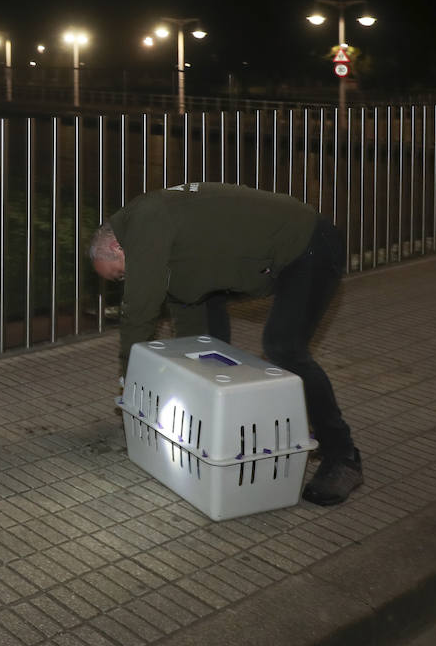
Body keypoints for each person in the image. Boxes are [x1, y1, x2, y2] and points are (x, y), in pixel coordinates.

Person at [87, 182, 364, 506]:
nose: (126, 281)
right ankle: (225, 432)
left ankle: (342, 456)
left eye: (120, 275)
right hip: (274, 258)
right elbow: (187, 310)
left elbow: (139, 311)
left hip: (308, 247)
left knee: (283, 347)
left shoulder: (145, 223)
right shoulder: (158, 232)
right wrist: (193, 372)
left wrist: (129, 378)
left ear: (118, 248)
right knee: (206, 343)